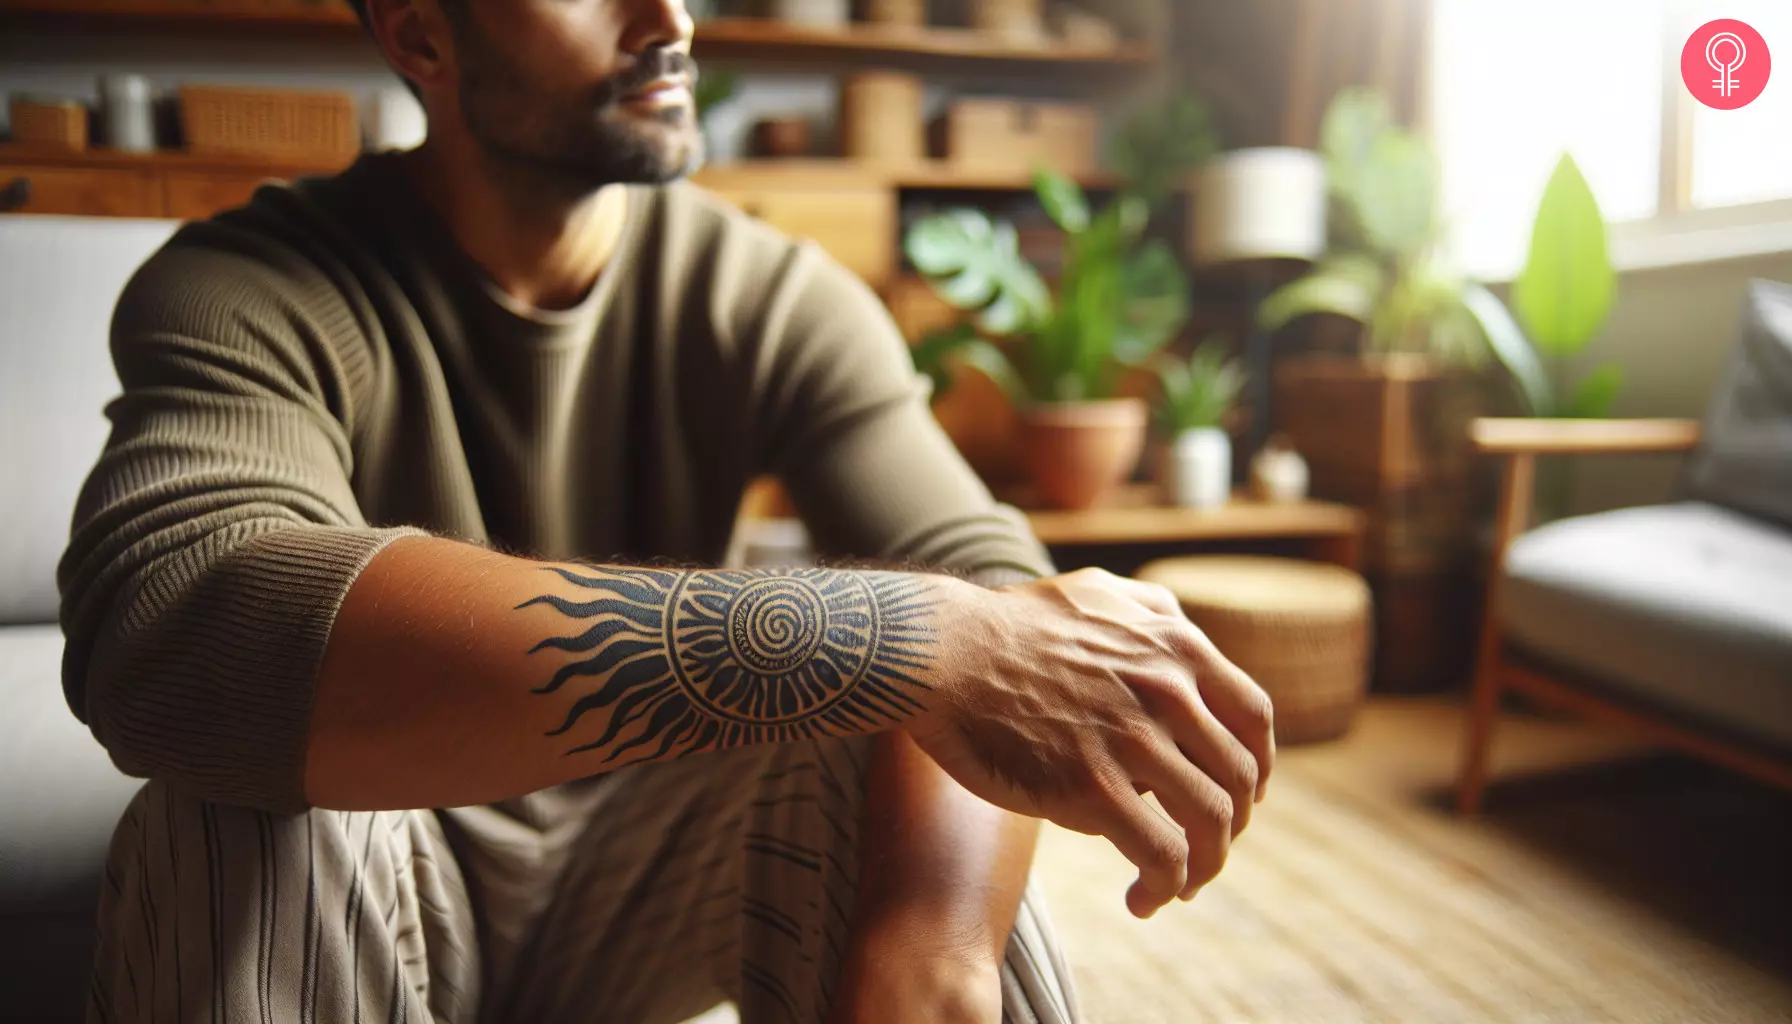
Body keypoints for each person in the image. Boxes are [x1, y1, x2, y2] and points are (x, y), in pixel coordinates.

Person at [59, 0, 1275, 1021]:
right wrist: (913, 638)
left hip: (645, 874)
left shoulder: (770, 292)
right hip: (380, 853)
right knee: (243, 806)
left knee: (918, 782)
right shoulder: (250, 285)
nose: (671, 20)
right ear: (422, 32)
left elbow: (992, 593)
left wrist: (933, 951)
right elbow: (180, 624)